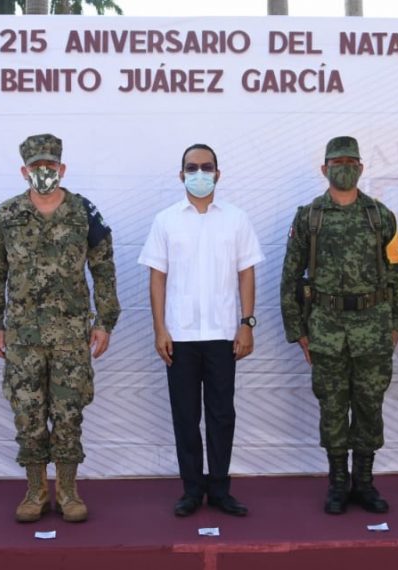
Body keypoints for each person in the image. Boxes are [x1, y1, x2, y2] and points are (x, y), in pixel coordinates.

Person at [0, 133, 120, 523]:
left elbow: (104, 269)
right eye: (36, 167)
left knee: (68, 412)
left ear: (62, 169)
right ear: (24, 171)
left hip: (71, 335)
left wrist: (104, 321)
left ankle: (70, 491)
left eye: (51, 167)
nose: (44, 173)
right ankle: (36, 490)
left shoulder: (83, 212)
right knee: (27, 413)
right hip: (23, 336)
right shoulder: (6, 215)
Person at [280, 136, 398, 515]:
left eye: (351, 161)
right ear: (324, 169)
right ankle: (338, 483)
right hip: (325, 327)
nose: (344, 167)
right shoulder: (309, 216)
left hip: (373, 327)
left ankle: (365, 483)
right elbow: (290, 276)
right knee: (333, 406)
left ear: (361, 168)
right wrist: (298, 331)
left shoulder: (380, 216)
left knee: (370, 404)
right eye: (336, 161)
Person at [138, 143, 264, 517]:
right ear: (181, 175)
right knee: (186, 416)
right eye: (191, 168)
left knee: (222, 415)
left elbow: (247, 273)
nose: (199, 173)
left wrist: (247, 323)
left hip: (224, 334)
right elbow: (157, 278)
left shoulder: (236, 219)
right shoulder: (166, 220)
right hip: (180, 337)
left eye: (206, 167)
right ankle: (192, 490)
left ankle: (221, 490)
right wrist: (160, 328)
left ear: (218, 174)